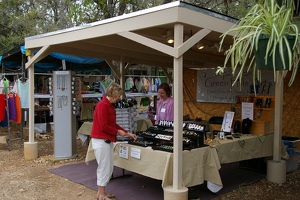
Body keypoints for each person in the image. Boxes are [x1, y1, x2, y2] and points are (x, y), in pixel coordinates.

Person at [90, 83, 137, 200]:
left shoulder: (109, 105)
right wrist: (118, 132)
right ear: (112, 94)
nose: (119, 98)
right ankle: (101, 194)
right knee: (104, 167)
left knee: (108, 167)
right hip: (101, 141)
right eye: (117, 96)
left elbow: (112, 124)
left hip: (106, 141)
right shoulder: (102, 106)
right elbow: (104, 126)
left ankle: (102, 193)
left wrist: (127, 133)